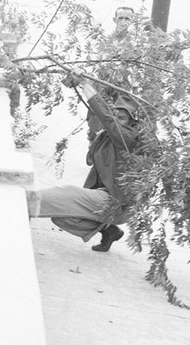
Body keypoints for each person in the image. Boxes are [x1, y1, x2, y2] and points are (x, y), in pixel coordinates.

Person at [34, 71, 144, 252]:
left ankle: (20, 203)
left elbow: (106, 118)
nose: (117, 121)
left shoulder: (130, 138)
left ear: (134, 123)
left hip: (118, 203)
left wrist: (85, 84)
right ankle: (109, 231)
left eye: (123, 118)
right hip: (103, 200)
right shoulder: (107, 138)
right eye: (116, 116)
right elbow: (101, 123)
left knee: (65, 194)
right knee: (61, 216)